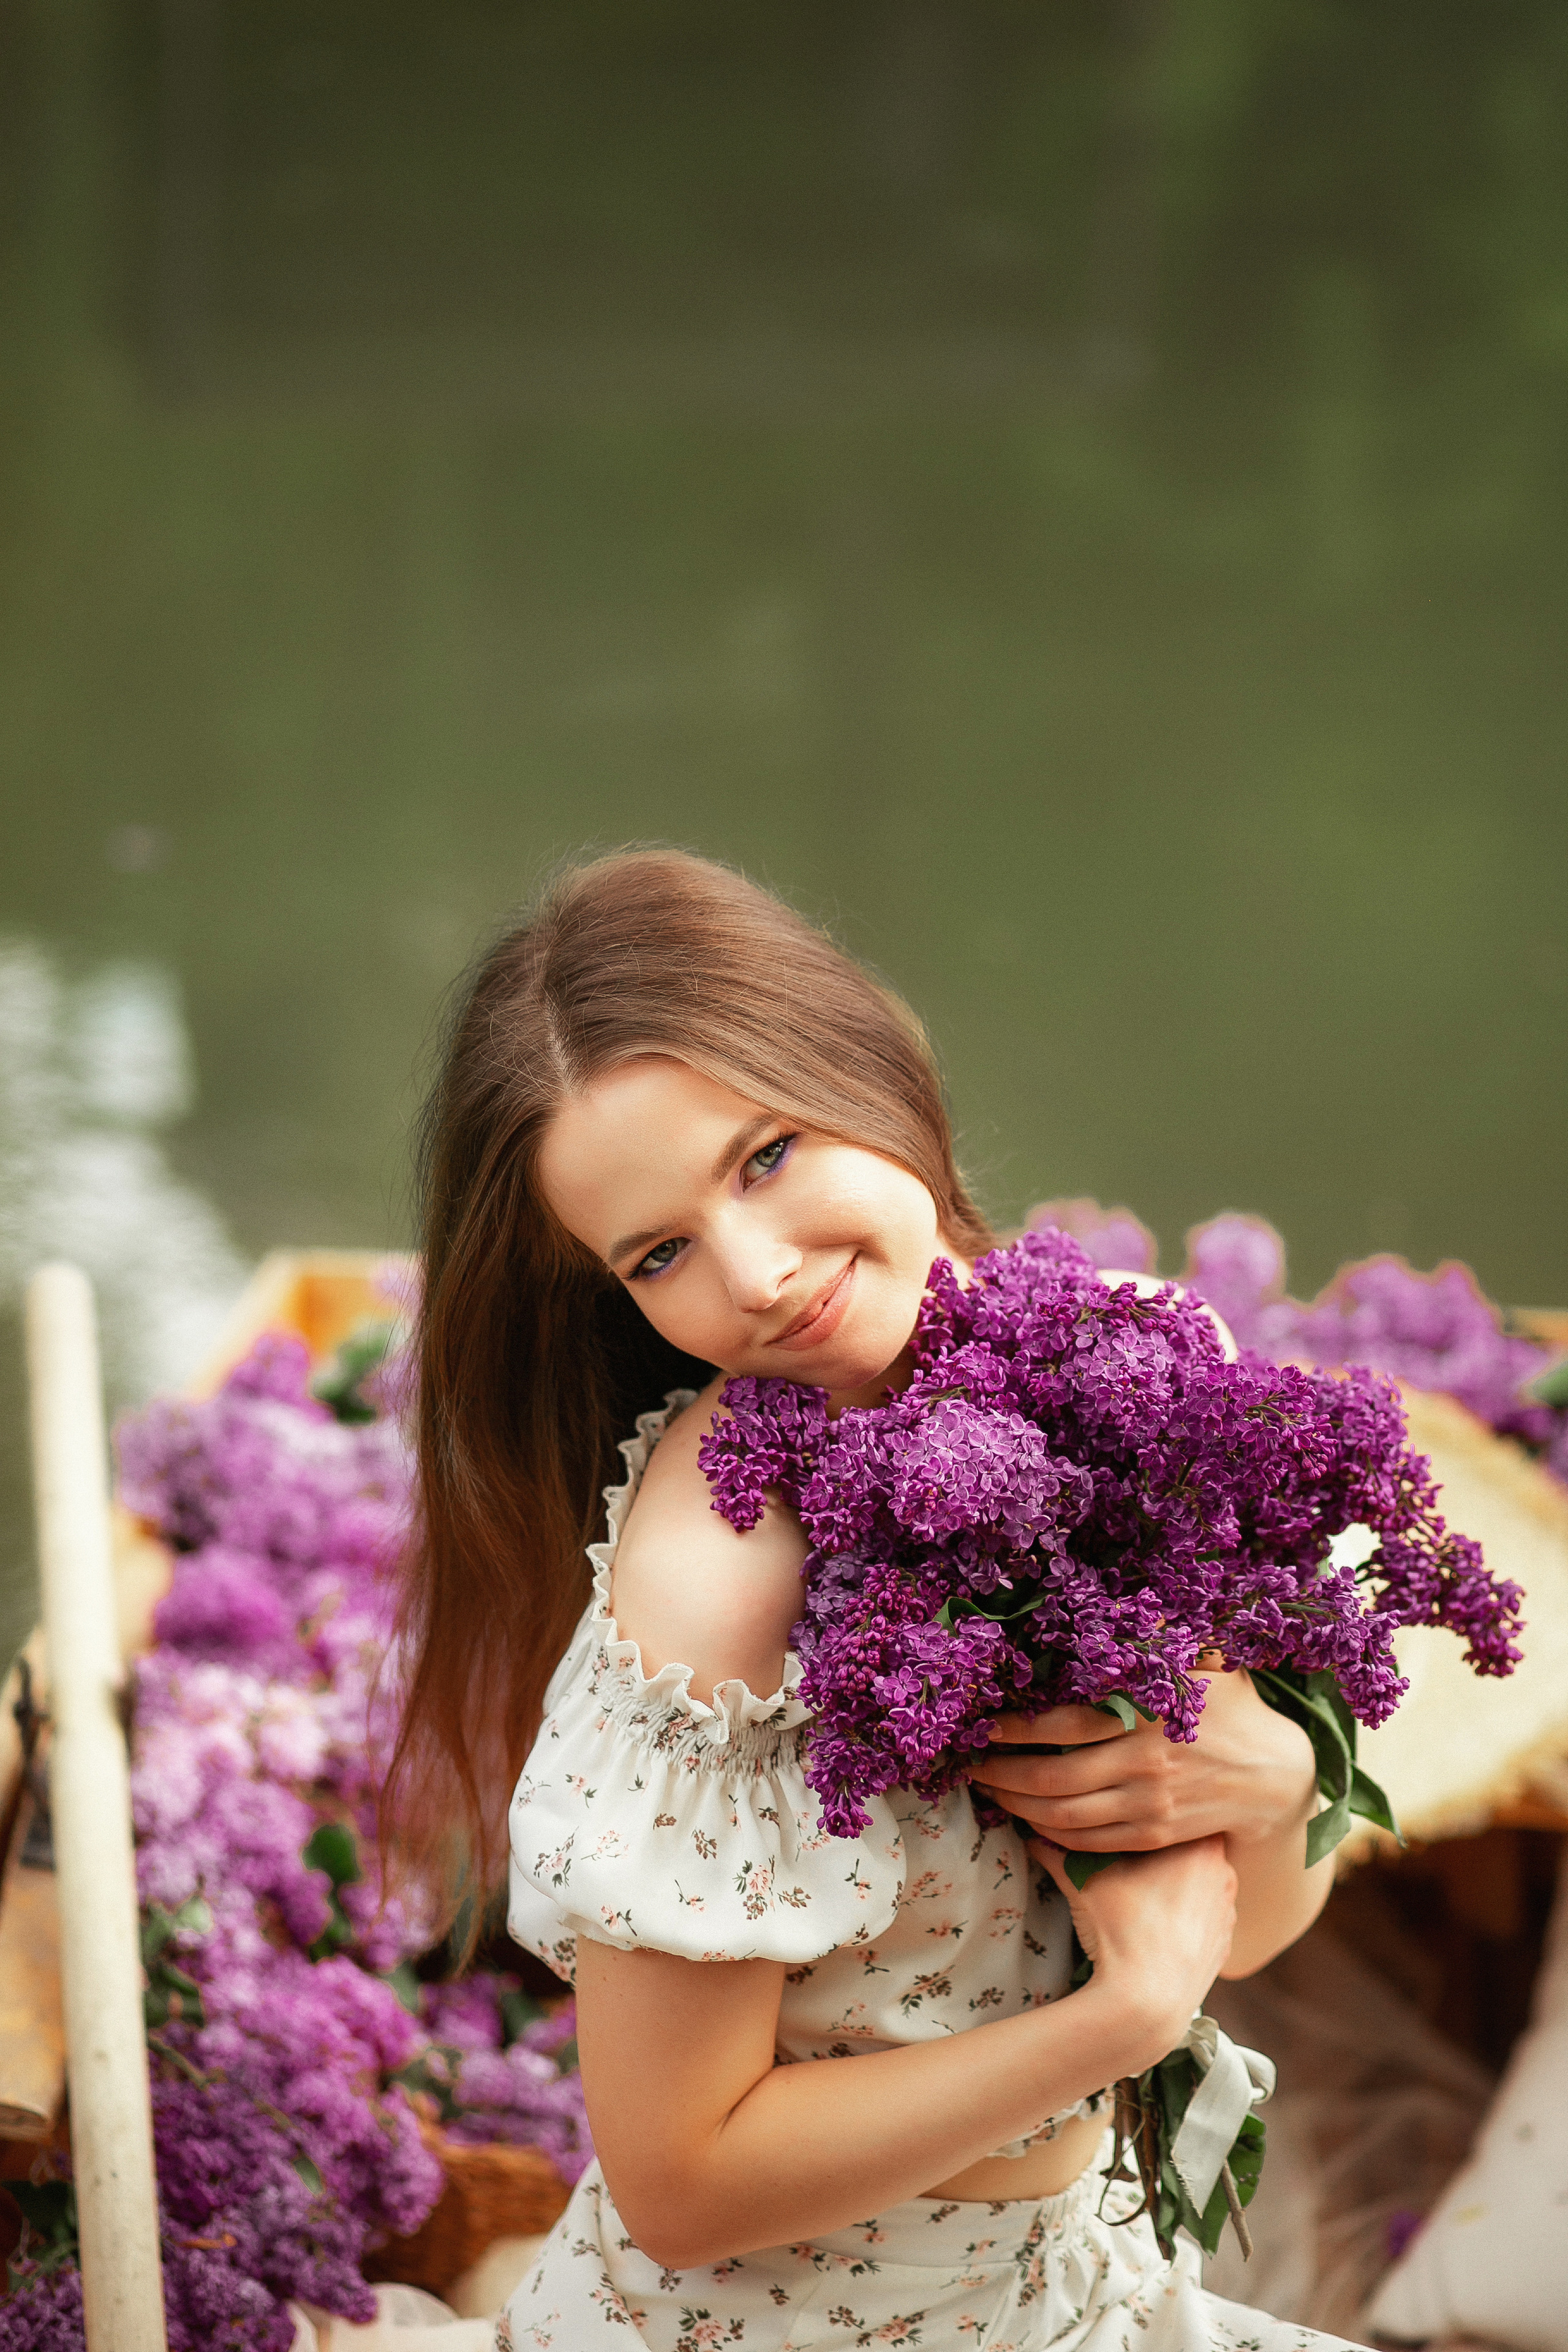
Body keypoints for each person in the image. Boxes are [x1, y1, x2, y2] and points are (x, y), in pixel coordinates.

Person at [390, 848, 1362, 2351]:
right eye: (659, 1253)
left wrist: (1274, 1766)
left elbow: (1239, 1930)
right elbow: (681, 2182)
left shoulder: (1136, 1367)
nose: (760, 1278)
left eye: (764, 1155)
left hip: (1063, 2295)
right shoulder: (713, 1585)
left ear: (863, 1060)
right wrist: (1113, 2027)